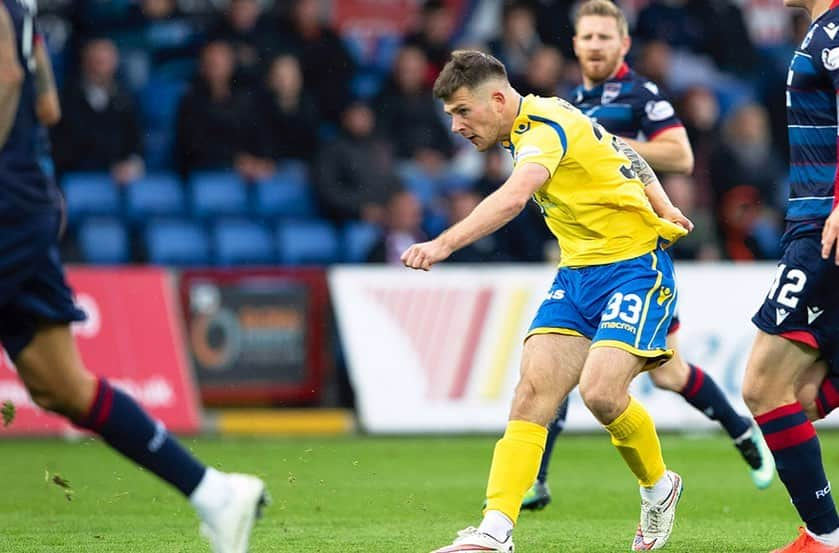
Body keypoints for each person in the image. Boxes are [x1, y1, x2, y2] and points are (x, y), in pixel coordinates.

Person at [0, 2, 266, 552]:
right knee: (61, 386)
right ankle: (214, 492)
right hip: (23, 202)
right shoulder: (20, 12)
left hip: (5, 207)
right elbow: (46, 104)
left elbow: (6, 77)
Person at [404, 49, 693, 553]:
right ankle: (496, 529)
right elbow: (624, 151)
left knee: (601, 393)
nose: (455, 126)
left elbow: (515, 198)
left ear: (496, 100)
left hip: (634, 270)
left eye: (462, 112)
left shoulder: (543, 130)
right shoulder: (551, 114)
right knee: (532, 392)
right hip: (577, 273)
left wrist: (443, 243)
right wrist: (662, 198)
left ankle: (658, 486)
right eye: (450, 115)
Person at [521, 0, 775, 512]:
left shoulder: (642, 95)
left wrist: (599, 143)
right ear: (574, 44)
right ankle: (537, 478)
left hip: (638, 253)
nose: (594, 45)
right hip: (585, 251)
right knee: (559, 362)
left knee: (670, 373)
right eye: (586, 37)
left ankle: (741, 430)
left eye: (603, 37)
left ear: (623, 44)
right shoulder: (566, 101)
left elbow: (680, 154)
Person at [741, 0, 839, 551]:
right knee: (797, 396)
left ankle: (825, 538)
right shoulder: (821, 31)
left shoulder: (837, 29)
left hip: (824, 224)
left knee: (762, 387)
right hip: (816, 218)